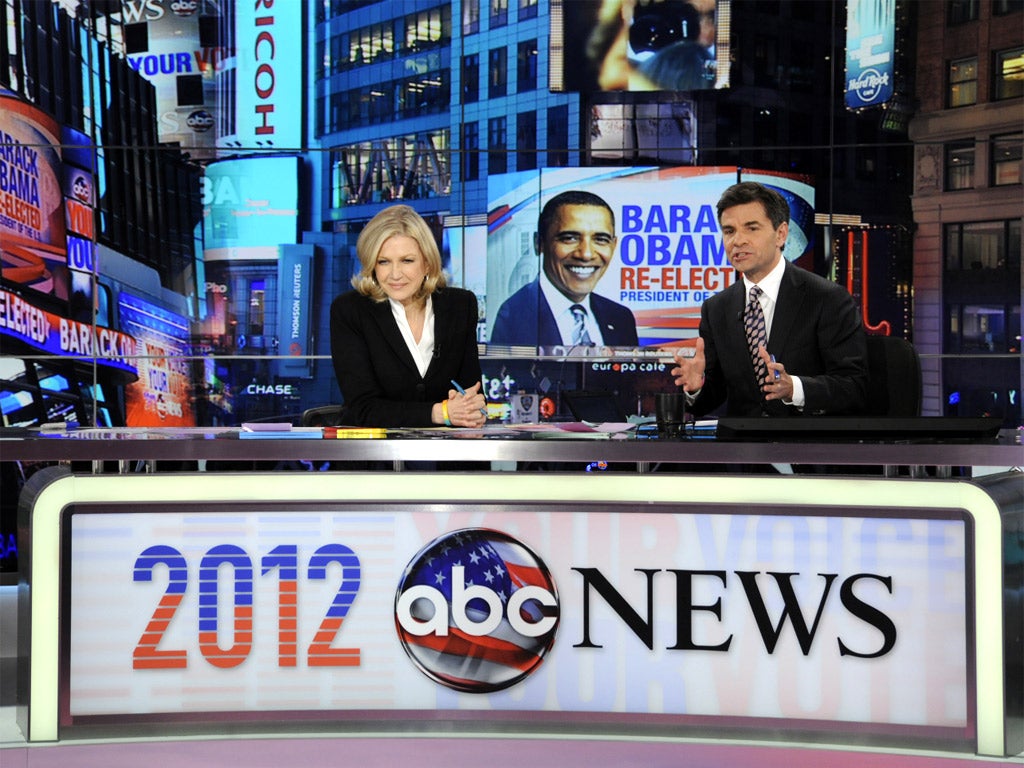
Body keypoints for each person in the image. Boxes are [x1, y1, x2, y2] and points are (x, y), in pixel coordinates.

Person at [670, 182, 868, 417]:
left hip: (805, 446)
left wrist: (794, 388)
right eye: (729, 231)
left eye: (751, 228)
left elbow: (854, 387)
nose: (738, 241)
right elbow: (715, 396)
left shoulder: (827, 299)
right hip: (741, 447)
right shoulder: (716, 309)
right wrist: (696, 387)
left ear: (781, 234)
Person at [330, 205, 487, 428]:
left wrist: (473, 409)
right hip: (378, 455)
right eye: (383, 262)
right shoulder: (350, 310)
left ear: (427, 263)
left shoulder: (460, 306)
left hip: (449, 454)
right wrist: (439, 412)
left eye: (407, 260)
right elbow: (361, 408)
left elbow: (473, 390)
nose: (395, 274)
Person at [490, 190, 639, 348]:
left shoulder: (621, 318)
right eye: (570, 238)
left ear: (614, 246)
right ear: (539, 243)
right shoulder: (512, 315)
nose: (586, 254)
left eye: (600, 239)